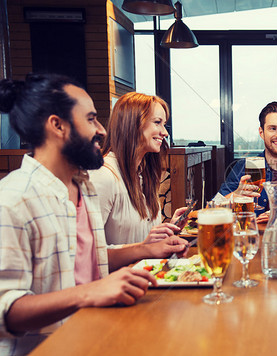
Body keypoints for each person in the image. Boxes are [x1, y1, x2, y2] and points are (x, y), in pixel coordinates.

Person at [0, 74, 187, 355]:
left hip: (99, 333)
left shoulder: (82, 186)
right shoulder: (14, 198)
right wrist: (90, 292)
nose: (101, 129)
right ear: (57, 126)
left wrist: (148, 249)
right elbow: (5, 311)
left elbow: (92, 261)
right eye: (90, 119)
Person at [89, 92, 187, 246]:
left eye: (164, 124)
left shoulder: (143, 173)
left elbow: (143, 241)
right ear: (133, 124)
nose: (165, 132)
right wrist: (144, 248)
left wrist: (169, 229)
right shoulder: (103, 175)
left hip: (146, 269)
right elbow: (90, 254)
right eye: (157, 122)